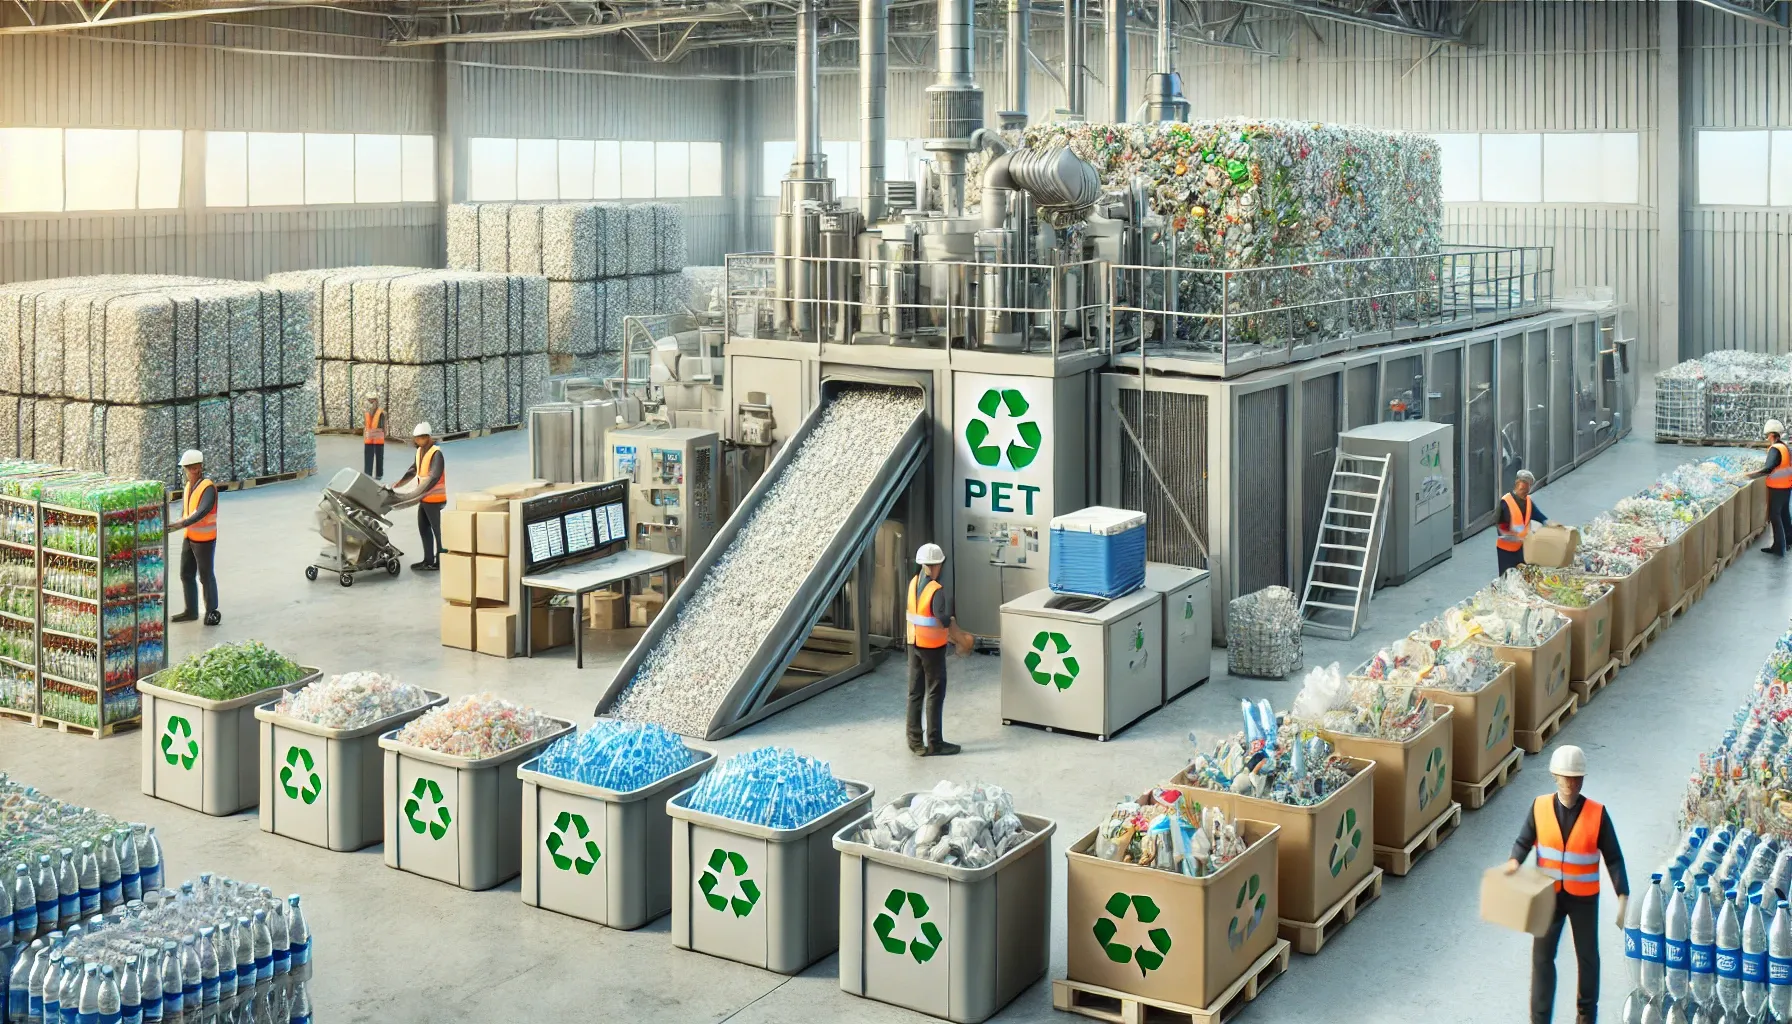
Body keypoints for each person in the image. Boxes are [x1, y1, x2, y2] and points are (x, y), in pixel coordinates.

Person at [1503, 745, 1629, 1024]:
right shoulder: (1539, 807)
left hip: (1583, 898)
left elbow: (1614, 857)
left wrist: (1622, 894)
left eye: (1577, 778)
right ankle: (1540, 1018)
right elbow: (1524, 841)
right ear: (1554, 776)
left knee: (1587, 957)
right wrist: (1514, 862)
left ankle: (1586, 1016)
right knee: (1542, 959)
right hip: (1548, 896)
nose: (1572, 783)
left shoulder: (1597, 814)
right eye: (1566, 777)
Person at [906, 543, 970, 757]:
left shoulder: (913, 583)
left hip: (913, 643)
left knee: (915, 692)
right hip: (931, 649)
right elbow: (941, 618)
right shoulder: (936, 590)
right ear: (936, 565)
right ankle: (935, 743)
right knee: (935, 692)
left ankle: (915, 742)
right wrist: (953, 624)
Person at [167, 449, 221, 625]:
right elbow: (187, 513)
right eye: (185, 468)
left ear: (198, 468)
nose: (187, 472)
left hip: (205, 539)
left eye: (190, 468)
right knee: (186, 573)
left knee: (205, 576)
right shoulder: (188, 488)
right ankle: (191, 611)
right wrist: (175, 524)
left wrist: (180, 524)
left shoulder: (208, 488)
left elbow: (201, 512)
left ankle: (212, 611)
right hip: (190, 536)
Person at [393, 423, 446, 571]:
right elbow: (413, 469)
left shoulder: (436, 454)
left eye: (420, 438)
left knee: (437, 530)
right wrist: (400, 483)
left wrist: (416, 492)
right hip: (424, 497)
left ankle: (441, 561)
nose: (417, 441)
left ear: (428, 438)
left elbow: (433, 477)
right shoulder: (420, 452)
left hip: (434, 498)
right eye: (416, 438)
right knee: (423, 528)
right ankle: (428, 560)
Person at [1496, 469, 1549, 577]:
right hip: (1507, 551)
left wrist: (1548, 523)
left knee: (1523, 576)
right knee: (1507, 578)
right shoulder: (1505, 502)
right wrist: (1514, 536)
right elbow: (1501, 529)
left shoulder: (1528, 501)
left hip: (1522, 548)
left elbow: (1538, 515)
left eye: (1529, 485)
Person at [1753, 419, 1792, 556]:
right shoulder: (1785, 447)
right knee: (1784, 514)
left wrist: (1752, 475)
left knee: (1775, 515)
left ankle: (1778, 547)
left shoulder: (1775, 449)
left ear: (1771, 434)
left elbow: (1769, 468)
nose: (1767, 438)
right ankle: (1788, 541)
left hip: (1777, 487)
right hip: (1787, 485)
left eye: (1767, 435)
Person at [362, 394, 389, 480]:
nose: (371, 402)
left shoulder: (382, 413)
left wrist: (385, 433)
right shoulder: (366, 412)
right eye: (370, 400)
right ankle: (368, 475)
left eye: (372, 400)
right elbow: (365, 425)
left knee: (379, 458)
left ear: (376, 401)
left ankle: (378, 475)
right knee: (369, 458)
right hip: (369, 439)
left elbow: (384, 426)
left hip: (377, 439)